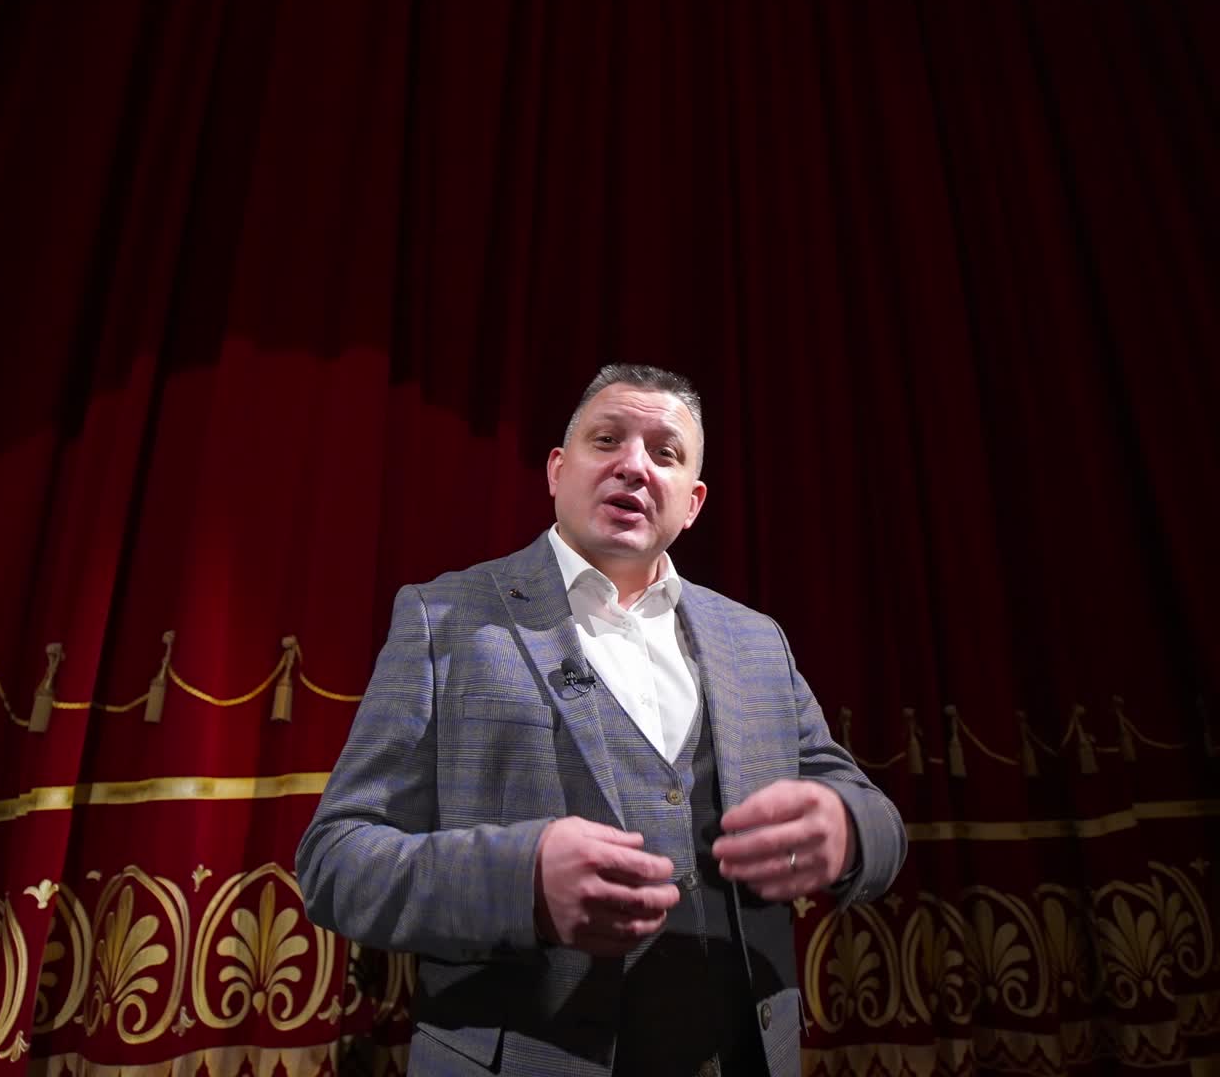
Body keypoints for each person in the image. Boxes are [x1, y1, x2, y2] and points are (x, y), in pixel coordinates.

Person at [297, 363, 906, 1076]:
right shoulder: (444, 620)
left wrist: (846, 828)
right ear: (557, 470)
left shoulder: (755, 641)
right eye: (607, 439)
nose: (634, 466)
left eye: (666, 453)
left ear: (694, 502)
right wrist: (520, 882)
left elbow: (879, 821)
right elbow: (336, 862)